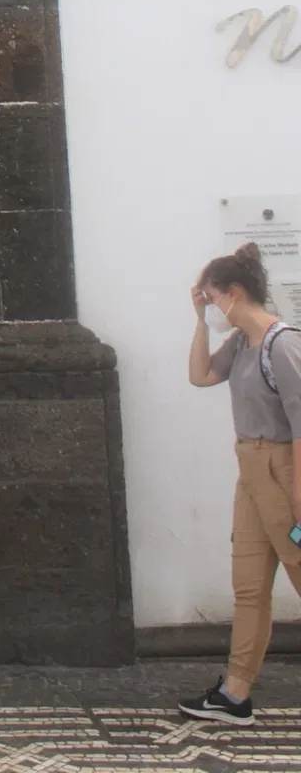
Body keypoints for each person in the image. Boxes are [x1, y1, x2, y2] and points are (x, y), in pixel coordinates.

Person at [179, 241, 301, 727]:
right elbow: (200, 375)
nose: (210, 307)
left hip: (283, 470)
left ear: (233, 292)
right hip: (251, 472)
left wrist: (299, 496)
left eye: (211, 298)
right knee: (249, 588)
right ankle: (235, 693)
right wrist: (197, 320)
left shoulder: (281, 344)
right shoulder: (240, 344)